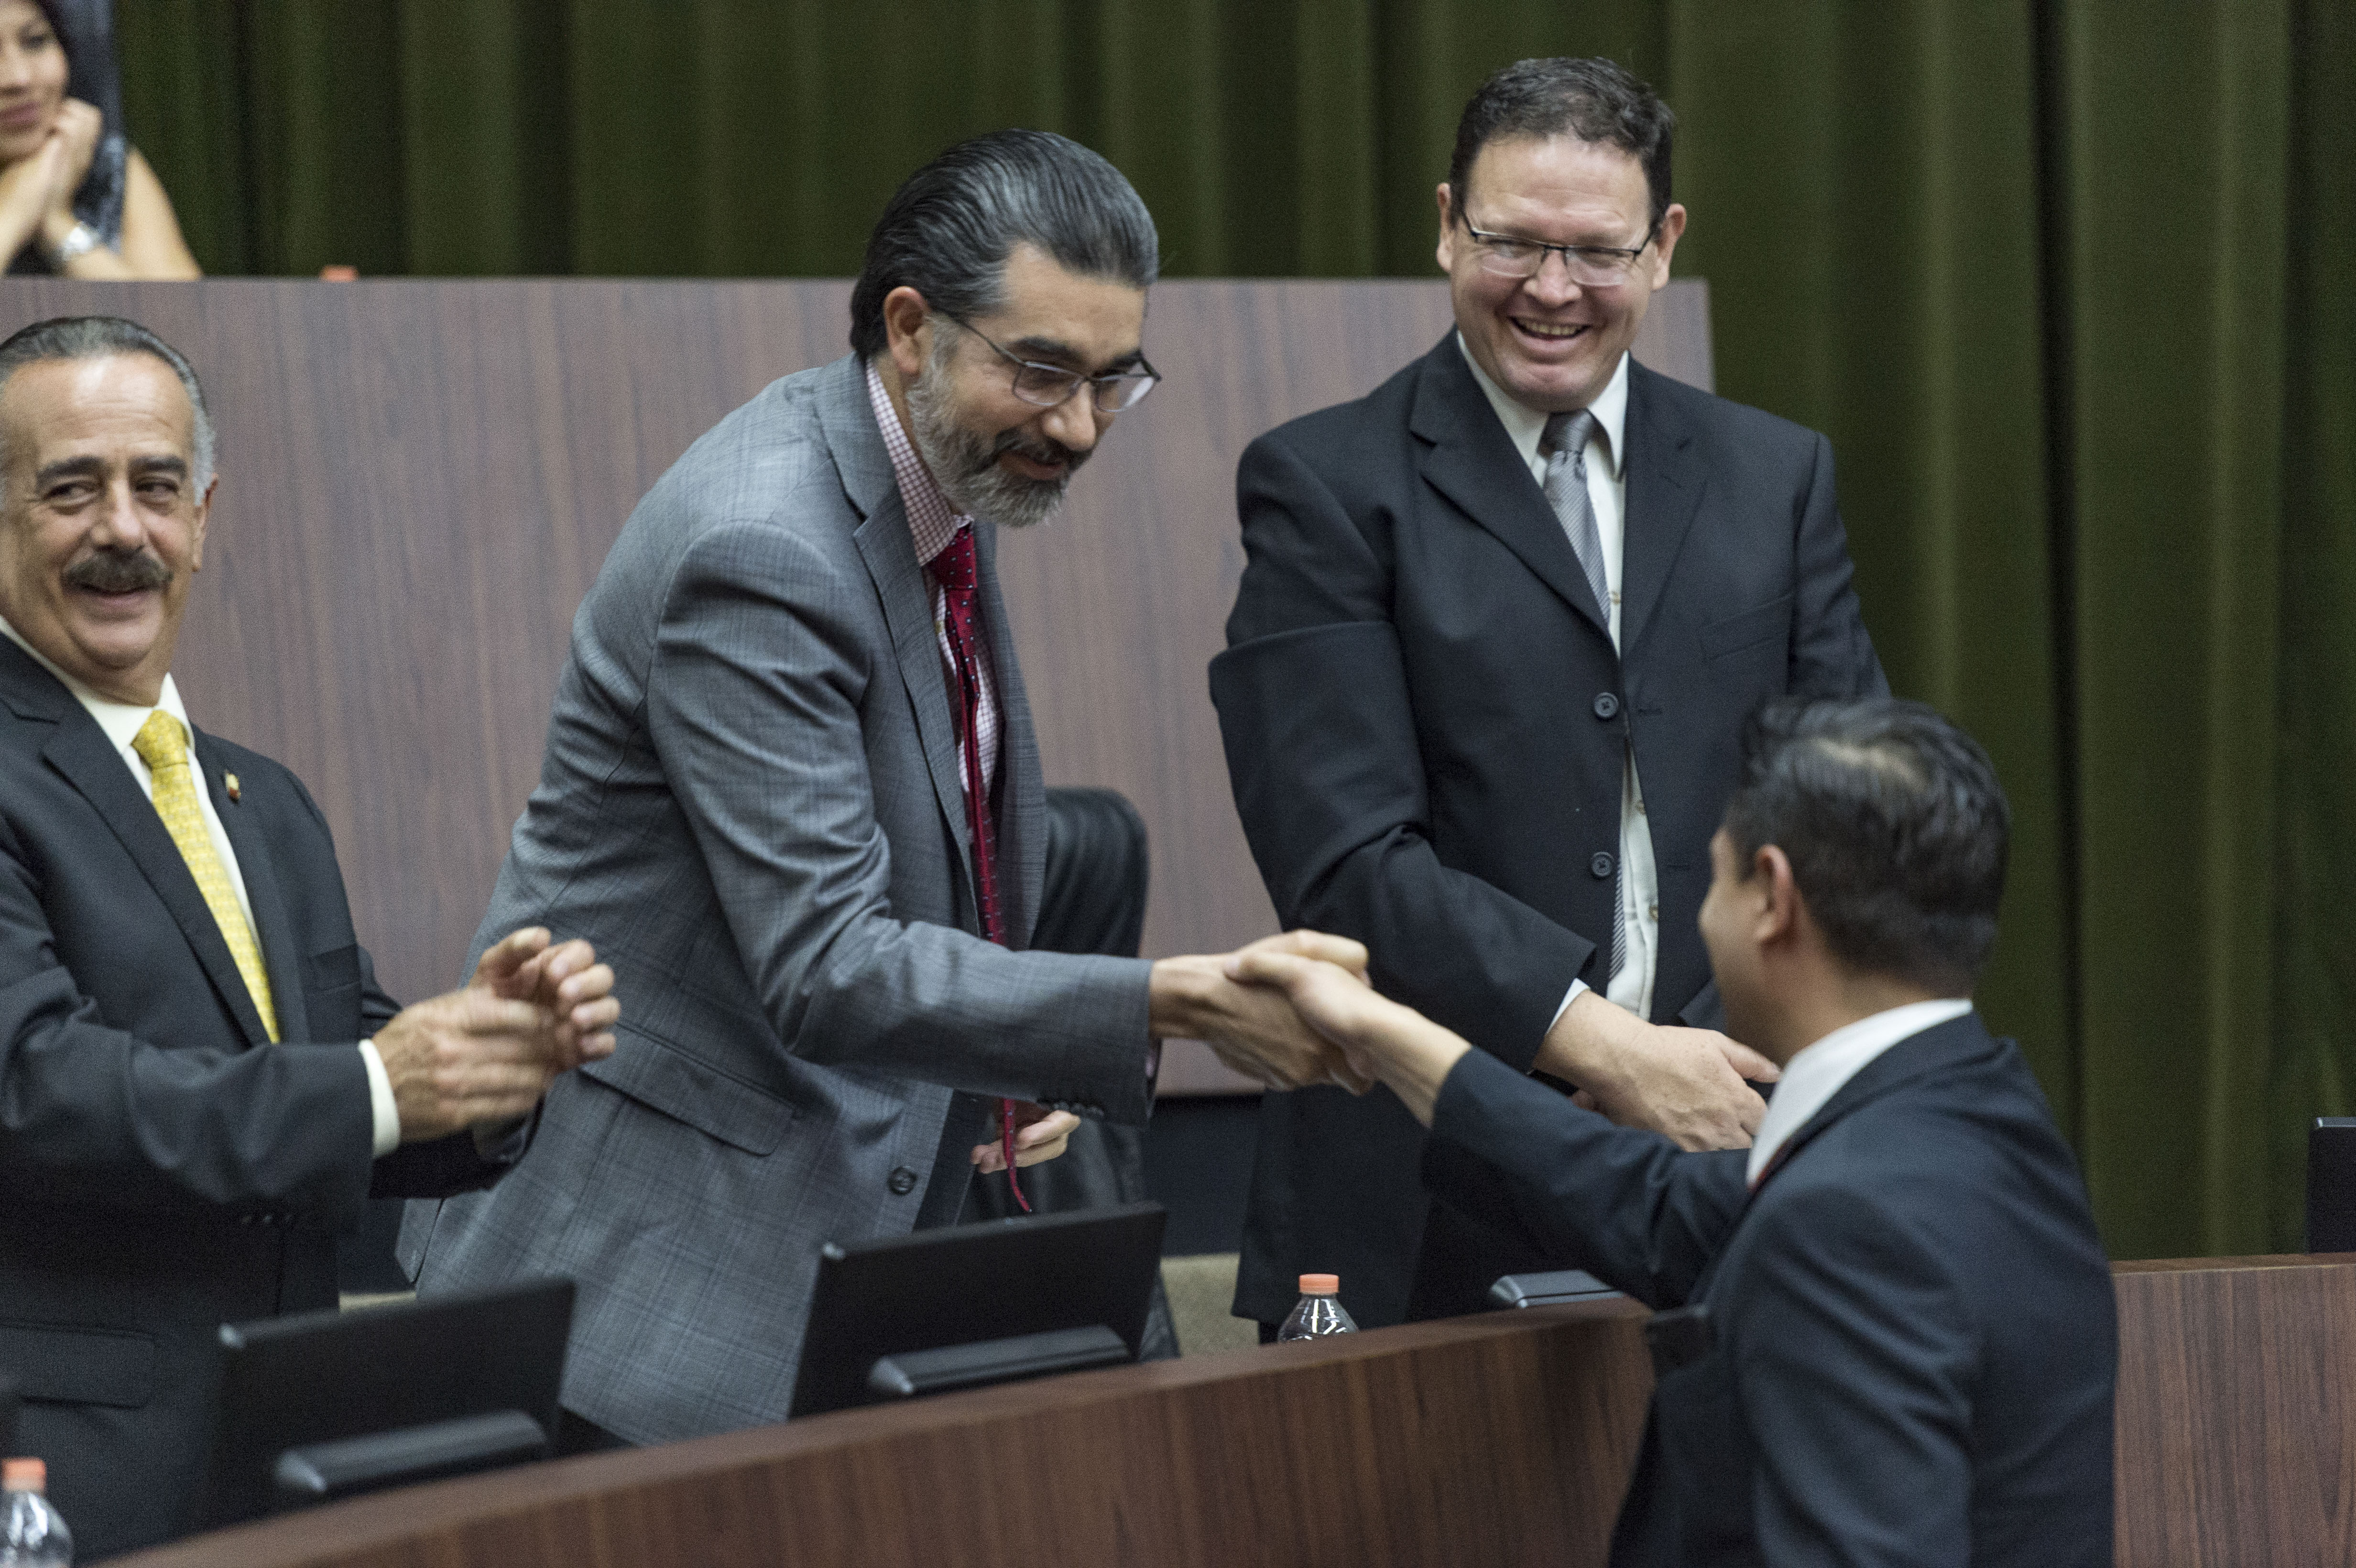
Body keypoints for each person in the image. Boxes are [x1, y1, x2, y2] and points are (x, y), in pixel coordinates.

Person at [405, 129, 1365, 1447]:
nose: (1079, 426)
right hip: (637, 1291)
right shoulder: (766, 546)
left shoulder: (935, 470)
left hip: (815, 1238)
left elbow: (931, 854)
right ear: (912, 329)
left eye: (1112, 380)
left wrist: (998, 1074)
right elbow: (826, 964)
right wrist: (1170, 1001)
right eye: (1043, 372)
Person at [1211, 55, 1888, 1333]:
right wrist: (1608, 1053)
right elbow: (1345, 863)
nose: (1553, 289)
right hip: (1425, 1184)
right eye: (1513, 243)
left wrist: (1702, 1059)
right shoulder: (1323, 486)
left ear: (1663, 245)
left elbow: (1853, 811)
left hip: (1731, 1142)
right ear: (1446, 225)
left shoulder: (1774, 478)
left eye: (1596, 251)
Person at [0, 316, 619, 1557]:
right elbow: (39, 1087)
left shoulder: (264, 802)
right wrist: (382, 1085)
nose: (122, 529)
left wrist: (489, 1061)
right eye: (71, 490)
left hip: (288, 1447)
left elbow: (340, 1075)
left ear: (203, 519)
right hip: (69, 1468)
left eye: (157, 487)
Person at [1238, 697, 2116, 1566]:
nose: (1701, 917)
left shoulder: (1846, 1221)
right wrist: (1382, 1031)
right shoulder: (1988, 1124)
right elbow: (1649, 1201)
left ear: (1771, 898)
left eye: (1714, 879)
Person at [0, 0, 199, 277]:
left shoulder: (102, 161)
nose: (19, 79)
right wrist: (15, 209)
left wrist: (56, 222)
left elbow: (178, 305)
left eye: (35, 42)